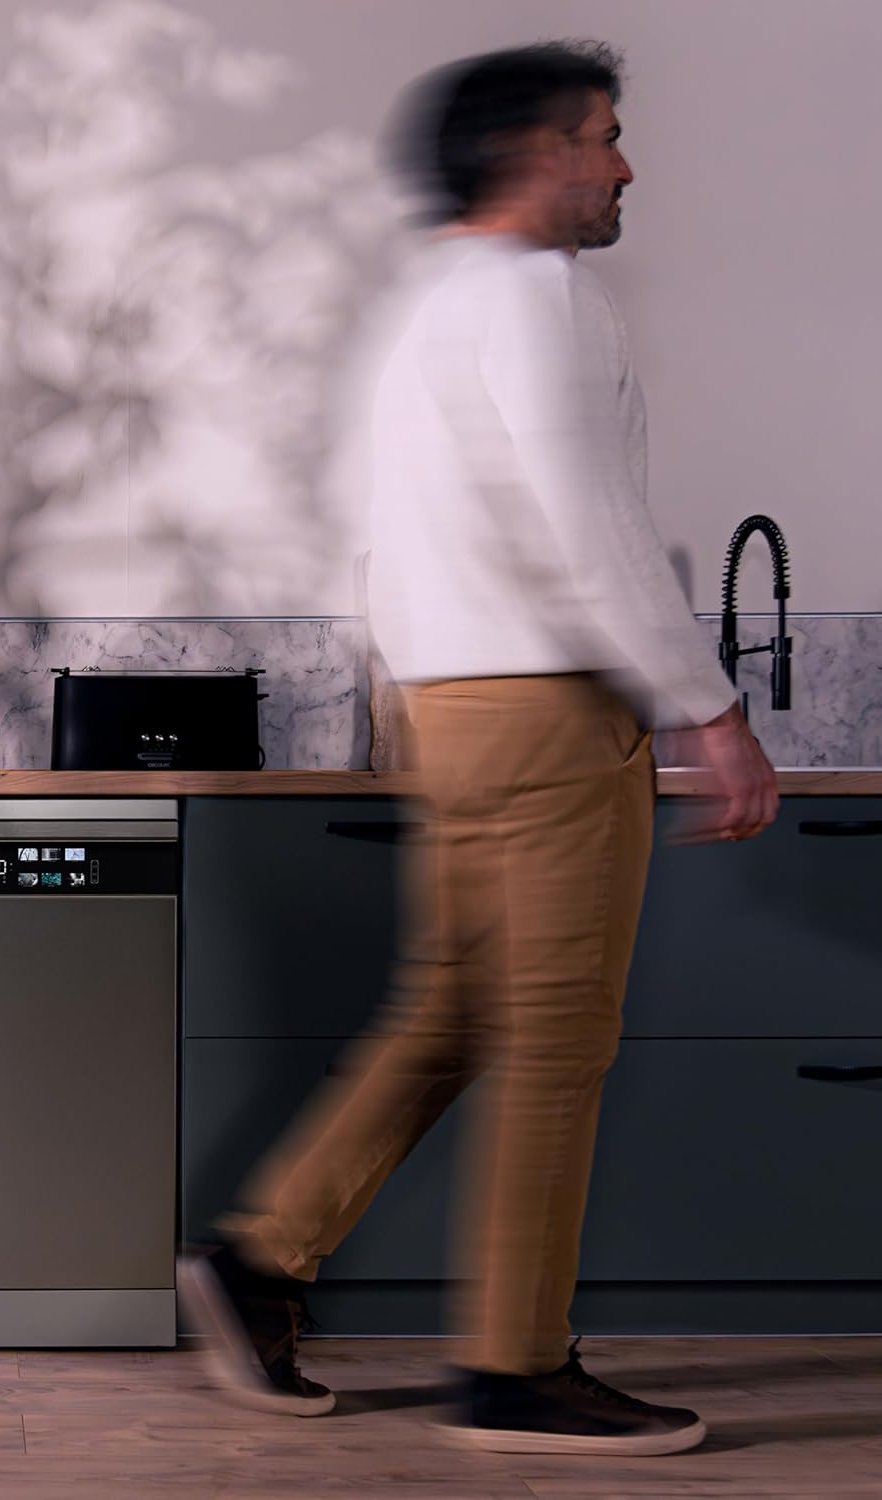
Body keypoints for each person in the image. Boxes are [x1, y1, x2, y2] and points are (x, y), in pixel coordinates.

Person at [177, 41, 779, 1457]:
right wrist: (710, 706)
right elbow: (588, 526)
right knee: (559, 1039)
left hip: (447, 708)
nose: (626, 167)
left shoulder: (426, 307)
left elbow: (395, 535)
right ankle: (513, 1366)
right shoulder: (536, 295)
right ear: (536, 153)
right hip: (546, 709)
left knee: (453, 1013)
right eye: (606, 138)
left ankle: (261, 1262)